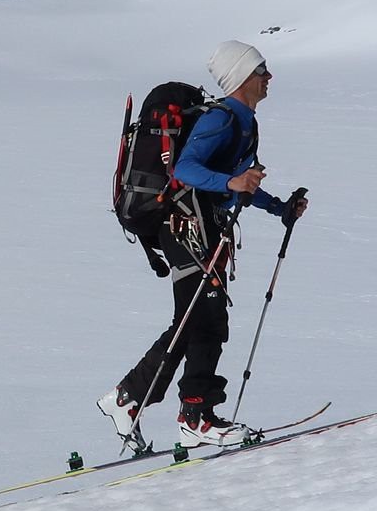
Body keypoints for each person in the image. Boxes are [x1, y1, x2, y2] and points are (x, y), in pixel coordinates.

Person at [97, 40, 308, 451]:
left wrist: (279, 208)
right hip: (182, 226)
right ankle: (196, 415)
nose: (269, 77)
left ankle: (130, 398)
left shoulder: (244, 123)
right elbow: (186, 169)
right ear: (242, 77)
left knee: (195, 319)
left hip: (197, 226)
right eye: (262, 70)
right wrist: (232, 182)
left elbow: (234, 184)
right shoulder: (222, 119)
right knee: (205, 315)